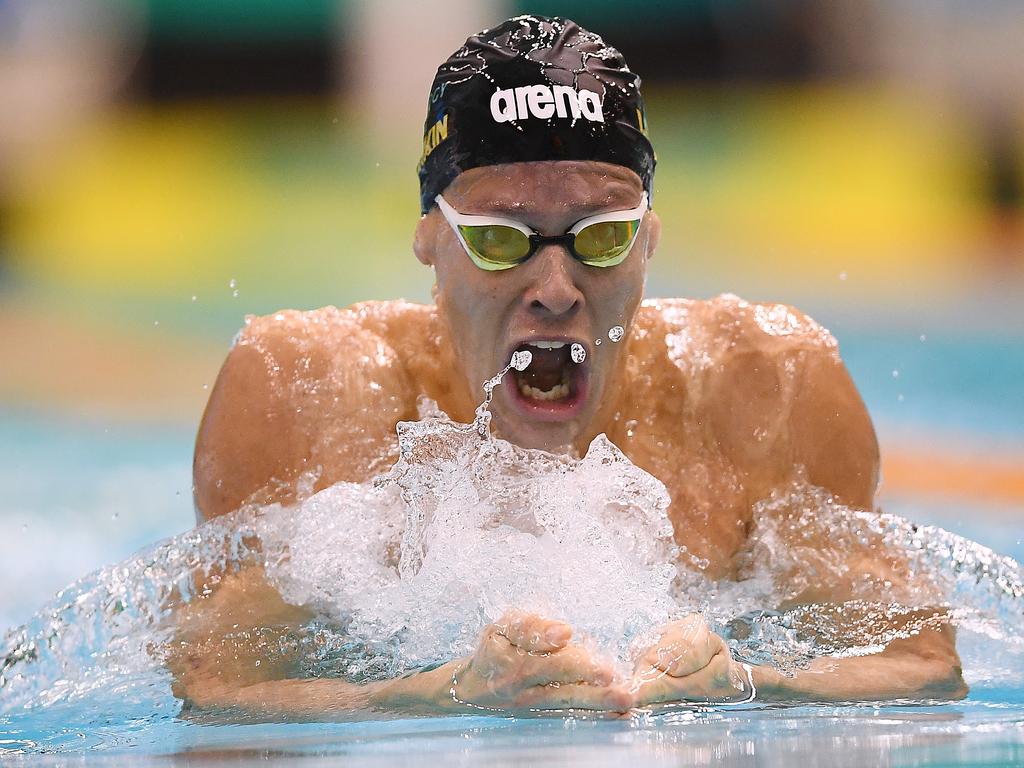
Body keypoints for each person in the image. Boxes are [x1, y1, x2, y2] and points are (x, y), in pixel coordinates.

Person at [173, 16, 966, 718]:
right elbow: (216, 689)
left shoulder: (766, 389)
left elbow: (921, 666)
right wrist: (436, 692)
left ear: (649, 241)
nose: (555, 291)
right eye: (499, 239)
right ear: (429, 241)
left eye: (600, 237)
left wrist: (751, 684)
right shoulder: (305, 393)